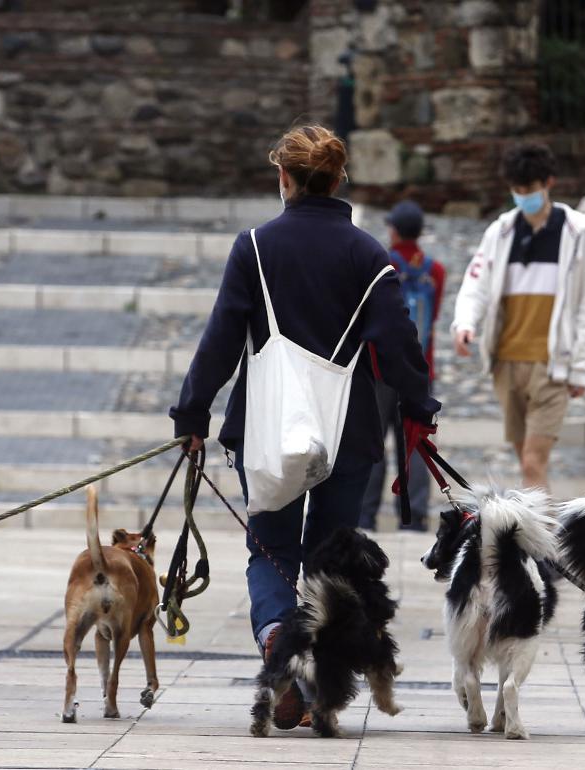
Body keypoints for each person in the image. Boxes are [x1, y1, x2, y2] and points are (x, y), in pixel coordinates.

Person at [168, 125, 439, 728]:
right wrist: (419, 410)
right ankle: (319, 685)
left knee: (270, 547)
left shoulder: (255, 247)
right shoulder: (370, 254)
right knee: (333, 560)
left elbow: (219, 341)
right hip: (349, 430)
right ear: (339, 179)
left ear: (284, 178)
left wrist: (192, 416)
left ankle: (275, 642)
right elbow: (399, 344)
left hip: (268, 429)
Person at [451, 142, 585, 490]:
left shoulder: (578, 233)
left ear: (548, 183)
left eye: (529, 190)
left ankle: (542, 545)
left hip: (552, 366)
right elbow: (476, 284)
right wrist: (465, 324)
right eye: (516, 191)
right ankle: (539, 540)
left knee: (534, 463)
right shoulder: (500, 231)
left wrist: (581, 367)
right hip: (507, 363)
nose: (523, 197)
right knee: (527, 466)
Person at [359, 200, 446, 532]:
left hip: (380, 370)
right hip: (421, 370)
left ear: (393, 230)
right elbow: (433, 317)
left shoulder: (383, 266)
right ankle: (413, 516)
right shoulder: (435, 271)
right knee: (416, 444)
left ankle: (365, 515)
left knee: (374, 442)